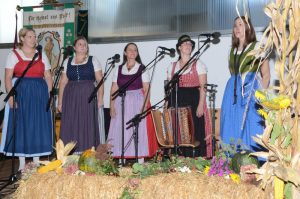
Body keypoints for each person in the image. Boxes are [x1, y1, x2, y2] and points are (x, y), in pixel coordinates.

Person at [0, 27, 53, 170]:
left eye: (34, 36)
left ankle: (36, 161)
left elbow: (48, 76)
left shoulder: (41, 54)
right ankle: (22, 162)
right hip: (21, 92)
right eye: (30, 36)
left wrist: (49, 95)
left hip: (39, 94)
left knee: (37, 124)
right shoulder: (13, 54)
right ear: (22, 38)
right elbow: (8, 77)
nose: (33, 39)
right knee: (22, 125)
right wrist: (10, 97)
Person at [220, 16, 270, 151]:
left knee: (252, 122)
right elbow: (233, 74)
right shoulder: (232, 51)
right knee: (231, 122)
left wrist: (261, 94)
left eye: (241, 25)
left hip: (250, 89)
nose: (237, 28)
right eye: (235, 25)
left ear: (248, 28)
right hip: (232, 92)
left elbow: (266, 75)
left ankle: (255, 159)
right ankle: (232, 158)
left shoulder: (257, 47)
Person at [107, 43, 158, 164]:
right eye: (130, 50)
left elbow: (146, 89)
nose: (133, 52)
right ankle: (120, 161)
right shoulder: (119, 69)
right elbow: (114, 88)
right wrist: (111, 106)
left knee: (138, 130)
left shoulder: (142, 68)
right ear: (125, 53)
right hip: (121, 101)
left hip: (137, 101)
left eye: (135, 50)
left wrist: (144, 107)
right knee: (120, 130)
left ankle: (140, 160)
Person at [58, 36, 105, 153]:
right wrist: (60, 102)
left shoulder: (93, 60)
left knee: (86, 123)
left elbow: (100, 80)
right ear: (74, 47)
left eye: (85, 44)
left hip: (87, 95)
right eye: (80, 44)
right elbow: (63, 82)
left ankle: (88, 152)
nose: (83, 46)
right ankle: (71, 154)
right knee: (71, 122)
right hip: (71, 97)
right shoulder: (67, 61)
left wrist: (100, 98)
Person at [167, 35, 211, 157]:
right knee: (178, 131)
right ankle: (178, 158)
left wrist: (201, 105)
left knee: (193, 131)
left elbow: (203, 86)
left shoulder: (198, 64)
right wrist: (167, 106)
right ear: (179, 47)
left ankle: (195, 159)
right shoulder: (172, 66)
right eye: (185, 43)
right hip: (176, 100)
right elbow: (169, 89)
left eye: (190, 44)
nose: (188, 45)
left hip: (194, 101)